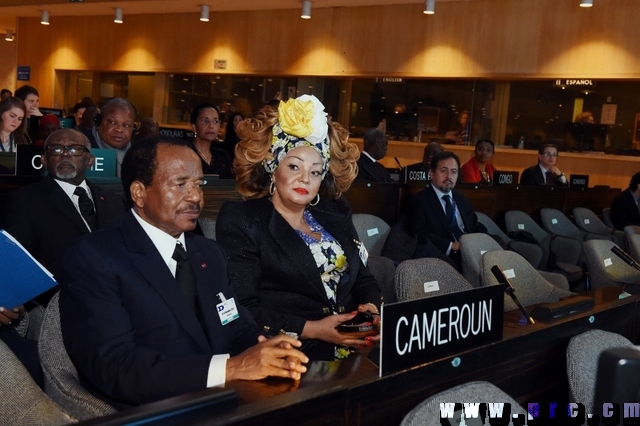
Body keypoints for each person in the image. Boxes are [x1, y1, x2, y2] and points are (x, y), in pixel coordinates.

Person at [59, 136, 308, 407]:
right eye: (180, 185)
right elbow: (117, 367)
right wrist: (230, 368)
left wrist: (269, 349)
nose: (195, 196)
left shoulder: (209, 253)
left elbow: (236, 328)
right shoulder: (94, 257)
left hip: (227, 400)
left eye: (198, 184)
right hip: (153, 411)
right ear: (139, 193)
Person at [216, 95, 381, 361]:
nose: (305, 178)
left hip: (357, 348)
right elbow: (243, 307)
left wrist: (370, 313)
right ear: (272, 167)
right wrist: (315, 330)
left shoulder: (335, 212)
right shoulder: (243, 220)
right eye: (294, 166)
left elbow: (363, 277)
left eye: (316, 172)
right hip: (292, 352)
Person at [0, 129, 126, 288]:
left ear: (90, 160)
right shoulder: (22, 201)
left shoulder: (114, 201)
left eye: (74, 149)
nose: (65, 154)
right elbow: (13, 264)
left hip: (112, 297)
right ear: (44, 160)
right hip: (55, 301)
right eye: (56, 149)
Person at [409, 151, 487, 270]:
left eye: (453, 172)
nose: (449, 176)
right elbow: (419, 233)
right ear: (431, 173)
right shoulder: (419, 201)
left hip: (470, 250)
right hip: (445, 256)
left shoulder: (462, 200)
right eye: (443, 170)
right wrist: (452, 246)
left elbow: (474, 225)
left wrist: (483, 240)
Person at [90, 98, 136, 176]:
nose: (119, 130)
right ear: (99, 122)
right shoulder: (83, 149)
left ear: (133, 129)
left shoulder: (140, 154)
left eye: (126, 125)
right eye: (112, 122)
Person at [189, 103, 233, 178]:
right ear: (194, 127)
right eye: (205, 121)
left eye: (215, 122)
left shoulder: (223, 156)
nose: (211, 126)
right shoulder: (184, 154)